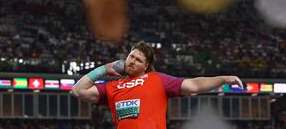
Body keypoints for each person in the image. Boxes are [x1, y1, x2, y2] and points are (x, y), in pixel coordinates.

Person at [71, 41, 243, 129]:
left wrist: (223, 79)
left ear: (146, 66)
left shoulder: (157, 79)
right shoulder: (112, 87)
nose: (132, 62)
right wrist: (103, 69)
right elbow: (78, 90)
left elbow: (194, 85)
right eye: (131, 56)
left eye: (138, 60)